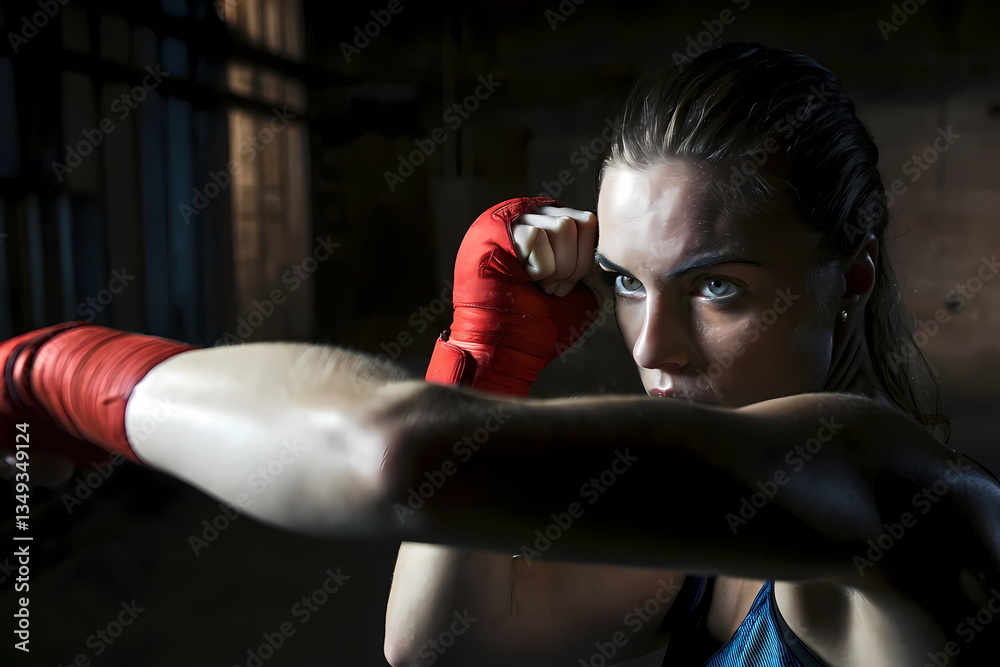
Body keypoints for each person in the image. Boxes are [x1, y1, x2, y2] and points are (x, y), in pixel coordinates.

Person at [3, 42, 998, 666]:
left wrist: (53, 375)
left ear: (852, 277)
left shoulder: (886, 489)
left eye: (718, 287)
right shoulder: (708, 538)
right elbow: (435, 642)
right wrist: (490, 351)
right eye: (623, 282)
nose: (654, 347)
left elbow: (394, 456)